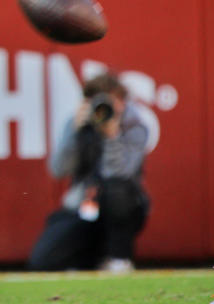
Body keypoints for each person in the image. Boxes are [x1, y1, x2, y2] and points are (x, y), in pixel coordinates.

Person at [28, 73, 150, 273]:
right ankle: (90, 261)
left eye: (112, 101)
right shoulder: (80, 124)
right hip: (83, 208)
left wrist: (112, 136)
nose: (107, 108)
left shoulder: (134, 126)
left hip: (122, 210)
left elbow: (119, 174)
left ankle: (118, 259)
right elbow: (58, 169)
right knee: (42, 260)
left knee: (116, 191)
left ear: (122, 102)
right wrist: (74, 132)